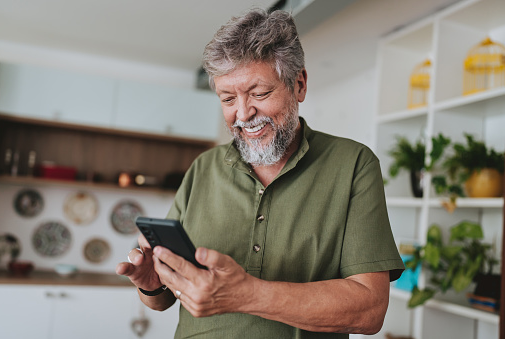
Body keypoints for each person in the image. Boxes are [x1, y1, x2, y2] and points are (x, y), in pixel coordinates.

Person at [116, 8, 404, 338]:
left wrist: (248, 294)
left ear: (299, 85)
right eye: (227, 98)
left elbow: (369, 310)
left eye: (259, 93)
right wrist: (152, 287)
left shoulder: (353, 165)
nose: (243, 113)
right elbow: (164, 298)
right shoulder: (203, 168)